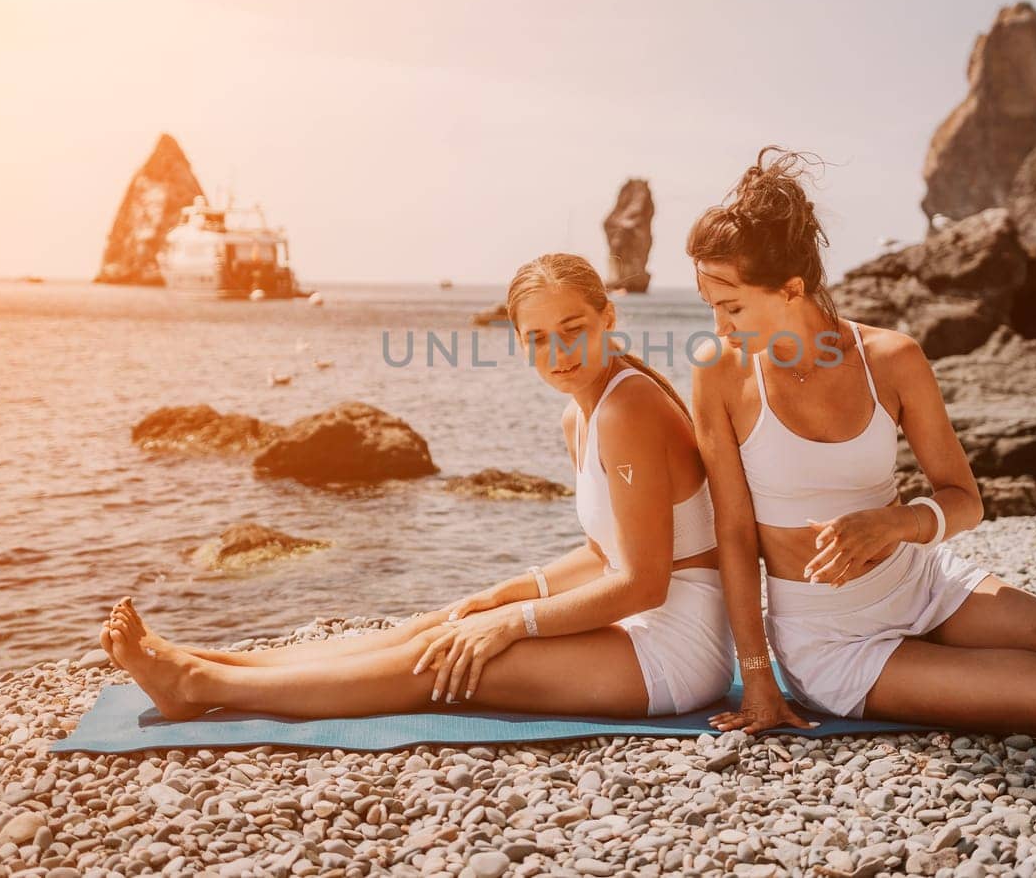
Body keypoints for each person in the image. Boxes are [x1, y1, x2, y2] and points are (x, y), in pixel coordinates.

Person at [99, 253, 734, 721]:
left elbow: (643, 582)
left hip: (674, 652)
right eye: (538, 339)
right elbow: (605, 552)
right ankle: (213, 663)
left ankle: (200, 687)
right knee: (440, 622)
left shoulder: (628, 410)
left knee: (441, 661)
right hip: (639, 625)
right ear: (520, 342)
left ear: (608, 317)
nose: (559, 353)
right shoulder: (581, 412)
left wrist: (517, 622)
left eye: (573, 329)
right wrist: (506, 594)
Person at [685, 147, 1036, 735]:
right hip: (831, 634)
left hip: (922, 583)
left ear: (790, 288)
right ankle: (939, 672)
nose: (719, 328)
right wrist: (757, 677)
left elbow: (964, 499)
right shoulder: (720, 371)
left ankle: (945, 662)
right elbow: (731, 531)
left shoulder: (892, 358)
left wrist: (895, 524)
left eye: (731, 307)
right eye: (711, 308)